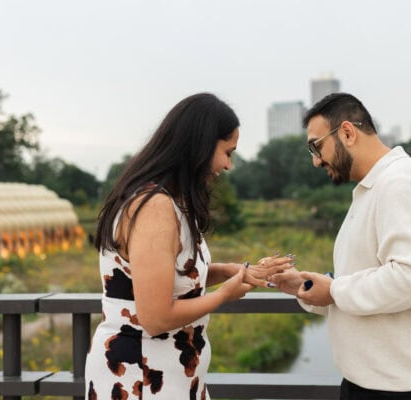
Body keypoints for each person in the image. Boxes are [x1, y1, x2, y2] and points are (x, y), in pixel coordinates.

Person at [85, 93, 291, 400]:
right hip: (141, 378)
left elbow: (169, 279)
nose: (229, 165)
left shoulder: (171, 203)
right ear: (201, 145)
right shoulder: (154, 206)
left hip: (171, 375)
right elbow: (155, 317)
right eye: (227, 152)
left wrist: (230, 271)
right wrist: (224, 294)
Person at [271, 93, 411, 399]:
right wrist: (310, 287)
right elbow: (368, 277)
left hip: (407, 389)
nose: (315, 160)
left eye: (316, 146)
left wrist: (335, 290)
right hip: (377, 383)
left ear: (347, 133)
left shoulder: (399, 183)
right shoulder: (373, 187)